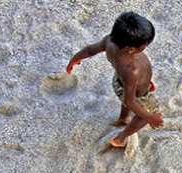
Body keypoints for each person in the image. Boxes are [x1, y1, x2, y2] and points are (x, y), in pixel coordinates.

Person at [66, 11, 164, 148]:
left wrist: (74, 60)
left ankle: (123, 119)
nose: (146, 46)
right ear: (131, 49)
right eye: (145, 44)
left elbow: (90, 50)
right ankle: (120, 139)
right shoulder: (131, 70)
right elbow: (131, 101)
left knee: (126, 96)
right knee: (146, 113)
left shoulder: (110, 40)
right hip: (135, 92)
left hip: (119, 82)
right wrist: (150, 118)